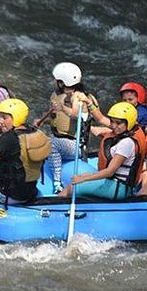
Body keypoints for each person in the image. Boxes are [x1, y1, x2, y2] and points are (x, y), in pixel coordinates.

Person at [35, 62, 102, 194]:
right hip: (60, 140)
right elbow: (56, 118)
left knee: (51, 144)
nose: (55, 81)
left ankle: (57, 182)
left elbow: (77, 114)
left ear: (62, 81)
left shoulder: (80, 97)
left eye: (57, 80)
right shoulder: (56, 95)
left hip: (75, 145)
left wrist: (63, 108)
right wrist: (43, 121)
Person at [58, 102, 145, 201]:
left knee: (71, 188)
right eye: (112, 121)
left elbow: (110, 171)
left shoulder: (127, 143)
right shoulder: (123, 136)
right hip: (115, 183)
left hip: (119, 188)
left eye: (118, 123)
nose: (114, 125)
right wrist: (87, 176)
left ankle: (52, 210)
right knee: (82, 179)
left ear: (129, 123)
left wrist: (83, 179)